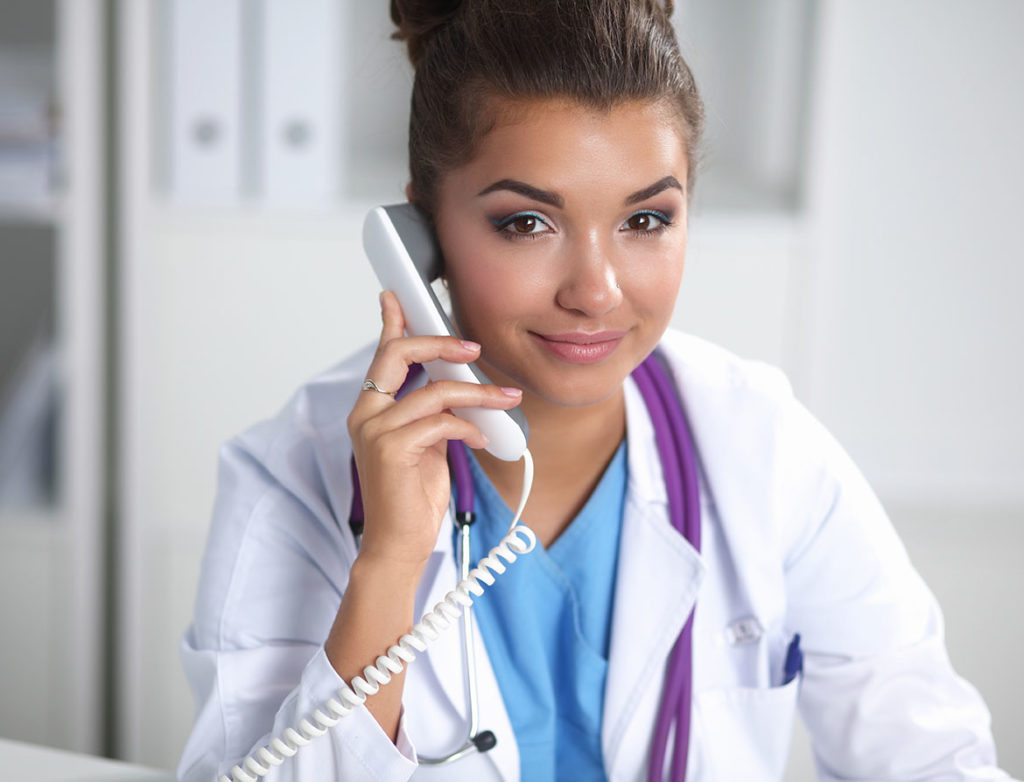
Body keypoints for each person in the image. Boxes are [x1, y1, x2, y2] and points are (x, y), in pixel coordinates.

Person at [178, 1, 1010, 780]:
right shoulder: (295, 476)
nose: (598, 290)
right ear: (419, 234)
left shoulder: (764, 447)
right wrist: (391, 562)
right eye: (526, 223)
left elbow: (932, 753)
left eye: (646, 220)